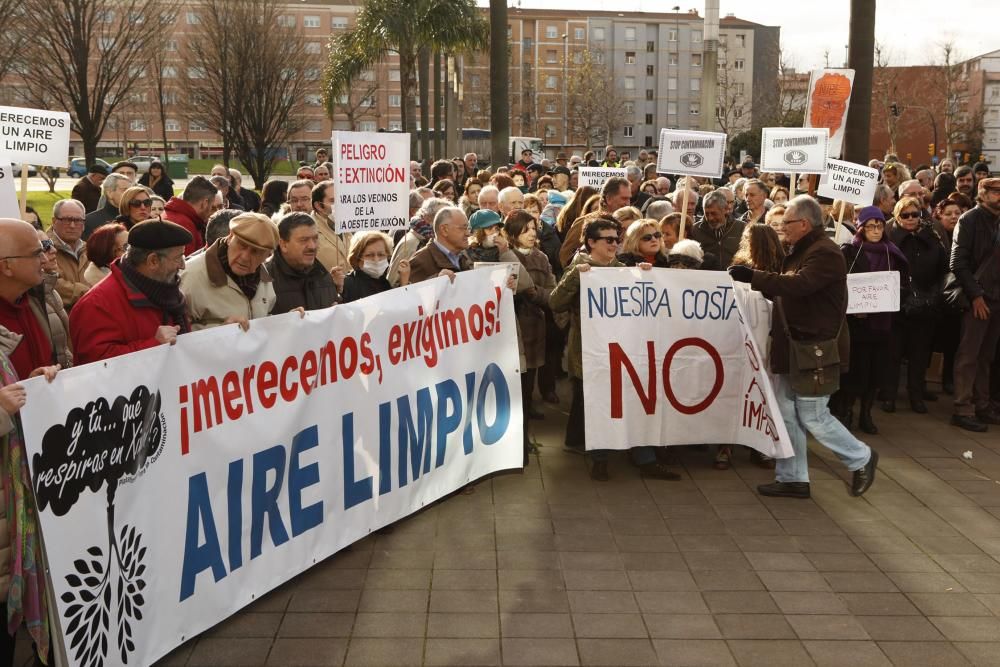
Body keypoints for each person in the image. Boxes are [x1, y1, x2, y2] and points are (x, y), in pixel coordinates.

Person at [728, 195, 879, 499]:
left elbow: (799, 286)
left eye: (786, 223)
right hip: (794, 344)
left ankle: (861, 457)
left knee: (812, 414)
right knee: (785, 412)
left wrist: (755, 277)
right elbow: (789, 290)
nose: (782, 228)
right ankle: (793, 477)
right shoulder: (801, 249)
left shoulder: (825, 253)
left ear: (804, 224)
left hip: (814, 347)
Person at [550, 216, 679, 481]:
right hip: (591, 352)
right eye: (608, 240)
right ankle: (600, 459)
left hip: (624, 351)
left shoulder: (623, 270)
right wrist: (576, 277)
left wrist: (644, 278)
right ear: (591, 243)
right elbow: (556, 303)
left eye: (616, 239)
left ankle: (646, 459)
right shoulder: (579, 269)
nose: (614, 244)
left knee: (634, 402)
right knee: (600, 406)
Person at [0, 220, 62, 667]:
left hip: (30, 474)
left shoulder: (35, 301)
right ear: (6, 266)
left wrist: (46, 377)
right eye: (34, 252)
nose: (46, 258)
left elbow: (45, 361)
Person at [70, 219, 192, 364]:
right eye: (179, 258)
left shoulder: (167, 289)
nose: (183, 265)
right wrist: (154, 346)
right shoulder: (96, 305)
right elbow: (95, 366)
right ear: (153, 261)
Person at [833, 207, 907, 435]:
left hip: (883, 324)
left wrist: (894, 296)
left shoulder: (891, 252)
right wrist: (853, 306)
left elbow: (902, 283)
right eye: (871, 226)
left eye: (880, 225)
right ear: (861, 228)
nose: (876, 230)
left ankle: (866, 413)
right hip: (857, 325)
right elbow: (839, 283)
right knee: (855, 370)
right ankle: (846, 411)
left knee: (876, 371)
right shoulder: (849, 251)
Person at [885, 196, 948, 415]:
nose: (911, 219)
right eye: (906, 215)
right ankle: (889, 396)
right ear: (897, 216)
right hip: (897, 306)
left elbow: (943, 269)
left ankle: (916, 396)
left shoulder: (932, 237)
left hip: (926, 306)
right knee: (892, 355)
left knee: (919, 355)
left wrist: (934, 296)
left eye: (915, 214)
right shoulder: (889, 238)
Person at [949, 178, 1000, 432]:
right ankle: (963, 407)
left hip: (997, 298)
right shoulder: (969, 220)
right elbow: (958, 262)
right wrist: (976, 296)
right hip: (977, 298)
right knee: (969, 355)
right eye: (996, 192)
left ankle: (982, 404)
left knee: (986, 355)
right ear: (983, 193)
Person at [506, 210, 555, 454]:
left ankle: (524, 441)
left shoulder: (542, 258)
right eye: (525, 230)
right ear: (513, 233)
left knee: (527, 391)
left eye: (534, 228)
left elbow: (552, 293)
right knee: (513, 393)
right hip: (513, 332)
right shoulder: (504, 256)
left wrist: (537, 294)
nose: (532, 234)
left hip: (535, 329)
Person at [180, 212, 278, 330]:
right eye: (242, 245)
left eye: (256, 252)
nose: (245, 257)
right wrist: (222, 332)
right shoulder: (191, 274)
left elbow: (263, 320)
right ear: (230, 237)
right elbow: (178, 333)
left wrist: (288, 321)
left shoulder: (263, 278)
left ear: (268, 255)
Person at [266, 212, 340, 314]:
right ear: (283, 244)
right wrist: (284, 322)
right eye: (304, 240)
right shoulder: (264, 279)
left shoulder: (323, 275)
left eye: (315, 238)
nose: (312, 246)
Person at [32, 228, 73, 368]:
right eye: (44, 246)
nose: (53, 250)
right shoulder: (27, 297)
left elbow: (64, 347)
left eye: (51, 243)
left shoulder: (50, 290)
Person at [389, 198, 450, 286]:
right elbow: (393, 281)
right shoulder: (411, 243)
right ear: (427, 217)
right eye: (444, 218)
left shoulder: (434, 240)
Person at [408, 207, 473, 283]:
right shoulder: (420, 261)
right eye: (463, 228)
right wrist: (436, 279)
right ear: (444, 229)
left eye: (468, 228)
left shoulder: (465, 256)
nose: (468, 234)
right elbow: (407, 292)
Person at [341, 231, 409, 302]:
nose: (376, 260)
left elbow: (397, 308)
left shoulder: (384, 283)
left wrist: (404, 281)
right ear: (357, 258)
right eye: (369, 255)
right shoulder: (348, 284)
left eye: (381, 255)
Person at [48, 199, 91, 309]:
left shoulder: (90, 249)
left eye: (77, 220)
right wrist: (92, 293)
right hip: (63, 319)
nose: (72, 225)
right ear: (54, 221)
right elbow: (53, 284)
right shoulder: (44, 249)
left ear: (84, 224)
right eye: (66, 220)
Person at [162, 175, 219, 254]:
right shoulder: (185, 225)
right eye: (212, 207)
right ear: (204, 203)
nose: (213, 212)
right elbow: (186, 264)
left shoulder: (172, 214)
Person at [689, 189, 744, 270]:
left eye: (714, 213)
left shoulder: (741, 228)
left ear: (725, 209)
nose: (710, 218)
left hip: (733, 279)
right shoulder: (695, 230)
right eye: (706, 214)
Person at [310, 180, 353, 275]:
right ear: (318, 206)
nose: (340, 204)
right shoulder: (308, 231)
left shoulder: (347, 224)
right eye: (333, 200)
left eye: (342, 199)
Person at [83, 172, 131, 239]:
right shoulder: (89, 221)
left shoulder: (136, 217)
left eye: (131, 191)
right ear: (110, 193)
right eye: (125, 190)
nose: (130, 195)